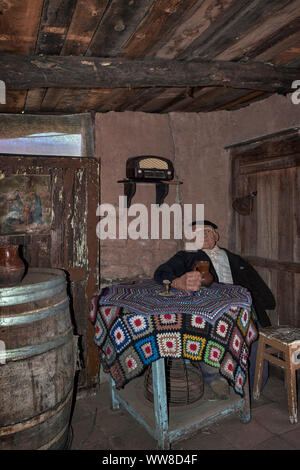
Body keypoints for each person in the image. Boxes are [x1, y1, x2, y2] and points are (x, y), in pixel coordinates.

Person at [154, 220, 275, 398]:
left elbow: (259, 288)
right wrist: (176, 282)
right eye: (198, 233)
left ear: (216, 236)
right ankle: (214, 377)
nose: (204, 235)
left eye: (208, 231)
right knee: (208, 332)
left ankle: (250, 387)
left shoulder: (236, 259)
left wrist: (262, 303)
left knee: (253, 336)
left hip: (243, 311)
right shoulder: (186, 256)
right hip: (210, 313)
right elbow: (161, 272)